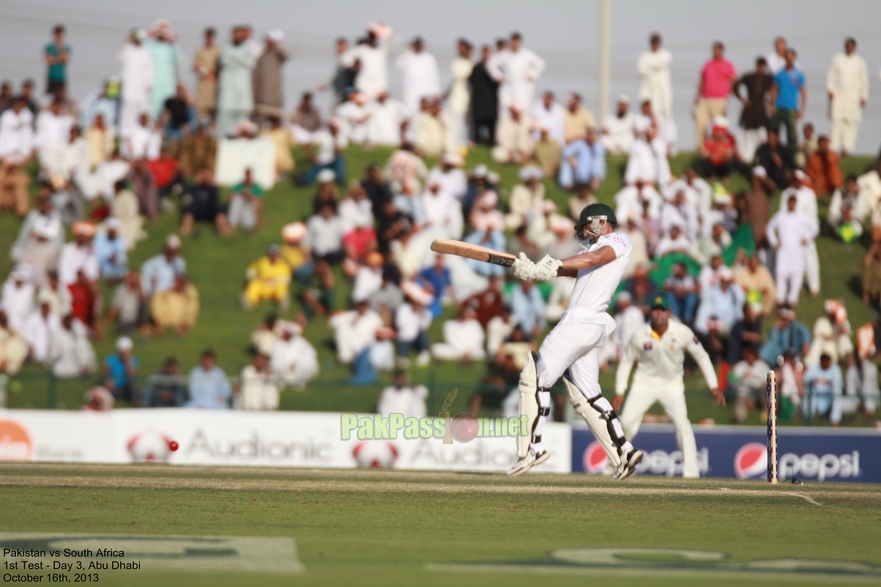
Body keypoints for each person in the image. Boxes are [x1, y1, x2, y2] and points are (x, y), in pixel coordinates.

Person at [507, 203, 643, 479]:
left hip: (581, 321)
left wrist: (555, 263)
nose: (583, 233)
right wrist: (535, 269)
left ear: (599, 221)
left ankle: (532, 448)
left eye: (585, 227)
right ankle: (623, 452)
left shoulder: (617, 239)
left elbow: (595, 259)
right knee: (586, 396)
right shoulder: (590, 251)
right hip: (591, 325)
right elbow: (574, 268)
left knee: (535, 379)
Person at [614, 296, 721, 478]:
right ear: (650, 312)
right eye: (656, 309)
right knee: (626, 423)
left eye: (663, 309)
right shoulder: (641, 333)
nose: (659, 313)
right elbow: (626, 361)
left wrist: (713, 385)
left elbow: (701, 356)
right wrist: (619, 390)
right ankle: (615, 465)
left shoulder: (682, 332)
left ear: (669, 312)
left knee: (682, 425)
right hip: (644, 383)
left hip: (672, 385)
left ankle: (691, 473)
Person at [767, 193, 818, 306]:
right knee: (781, 273)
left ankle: (792, 299)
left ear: (796, 204)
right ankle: (780, 297)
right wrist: (774, 241)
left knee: (796, 274)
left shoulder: (801, 217)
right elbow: (770, 227)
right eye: (790, 202)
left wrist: (807, 239)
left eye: (793, 203)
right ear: (787, 203)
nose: (791, 205)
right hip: (783, 250)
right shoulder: (781, 216)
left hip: (797, 250)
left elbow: (814, 227)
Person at [826, 38, 869, 155]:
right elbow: (831, 75)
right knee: (836, 121)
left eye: (851, 46)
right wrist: (830, 90)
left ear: (855, 48)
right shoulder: (837, 59)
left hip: (853, 97)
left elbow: (864, 80)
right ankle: (833, 148)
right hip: (838, 95)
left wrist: (864, 96)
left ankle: (846, 148)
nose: (849, 48)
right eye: (848, 46)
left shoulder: (860, 62)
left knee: (851, 122)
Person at [487, 32, 545, 115]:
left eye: (516, 41)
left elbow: (541, 63)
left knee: (524, 112)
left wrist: (532, 74)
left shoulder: (527, 54)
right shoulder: (504, 54)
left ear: (520, 42)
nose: (514, 43)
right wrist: (498, 75)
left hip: (523, 88)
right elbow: (491, 63)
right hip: (508, 87)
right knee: (505, 113)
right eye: (512, 41)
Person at [216, 26, 260, 136]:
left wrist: (235, 58)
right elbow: (225, 61)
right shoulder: (226, 47)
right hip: (228, 84)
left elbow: (250, 62)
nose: (237, 37)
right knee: (224, 110)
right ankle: (220, 135)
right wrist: (240, 60)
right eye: (235, 34)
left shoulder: (249, 47)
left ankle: (240, 134)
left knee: (242, 111)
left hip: (242, 84)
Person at [694, 42, 737, 145]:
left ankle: (719, 147)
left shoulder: (727, 64)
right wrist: (697, 96)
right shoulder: (707, 63)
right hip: (705, 99)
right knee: (700, 123)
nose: (716, 51)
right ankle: (702, 147)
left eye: (718, 49)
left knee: (718, 125)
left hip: (720, 99)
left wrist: (729, 93)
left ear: (722, 50)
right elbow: (702, 80)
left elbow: (734, 80)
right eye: (714, 49)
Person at [734, 58, 773, 162]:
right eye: (758, 66)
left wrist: (770, 101)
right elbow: (736, 85)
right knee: (747, 136)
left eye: (762, 67)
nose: (760, 69)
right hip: (750, 111)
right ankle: (746, 158)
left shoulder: (767, 78)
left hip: (761, 111)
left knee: (762, 136)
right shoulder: (749, 77)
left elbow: (775, 87)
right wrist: (742, 98)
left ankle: (762, 158)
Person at [769, 48, 806, 153]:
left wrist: (801, 110)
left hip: (791, 108)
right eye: (787, 56)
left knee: (791, 135)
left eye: (791, 56)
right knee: (774, 131)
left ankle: (791, 156)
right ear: (784, 58)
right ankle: (775, 152)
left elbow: (803, 93)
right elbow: (774, 90)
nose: (789, 59)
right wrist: (771, 105)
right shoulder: (779, 73)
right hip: (778, 107)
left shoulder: (799, 74)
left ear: (794, 58)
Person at [118, 29, 153, 138]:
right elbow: (120, 59)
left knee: (142, 113)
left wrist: (149, 83)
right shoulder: (128, 50)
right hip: (129, 90)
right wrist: (126, 43)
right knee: (127, 115)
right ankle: (125, 141)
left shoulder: (146, 52)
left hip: (141, 91)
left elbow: (150, 70)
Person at [146, 20, 183, 120]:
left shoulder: (171, 47)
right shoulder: (150, 45)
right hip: (154, 86)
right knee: (152, 112)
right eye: (161, 29)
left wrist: (173, 41)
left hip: (168, 87)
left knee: (167, 113)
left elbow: (178, 57)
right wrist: (152, 33)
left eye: (165, 29)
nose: (163, 32)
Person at [396, 37, 441, 119]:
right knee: (410, 114)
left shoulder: (429, 58)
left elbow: (434, 76)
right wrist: (407, 49)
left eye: (420, 44)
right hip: (411, 92)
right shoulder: (409, 56)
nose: (418, 46)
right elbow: (399, 64)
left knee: (424, 115)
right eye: (416, 44)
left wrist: (435, 91)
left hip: (425, 92)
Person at [180, 167, 231, 236]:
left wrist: (211, 182)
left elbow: (215, 198)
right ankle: (185, 228)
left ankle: (223, 228)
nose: (204, 177)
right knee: (190, 210)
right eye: (202, 174)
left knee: (218, 209)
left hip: (210, 211)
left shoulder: (212, 188)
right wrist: (196, 183)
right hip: (197, 210)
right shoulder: (194, 187)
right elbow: (188, 196)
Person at [252, 30, 288, 124]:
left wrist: (278, 45)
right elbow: (255, 75)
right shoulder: (261, 56)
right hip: (262, 95)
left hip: (274, 95)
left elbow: (286, 56)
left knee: (276, 120)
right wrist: (254, 90)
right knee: (260, 119)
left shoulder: (277, 54)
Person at [729, 346, 771, 423]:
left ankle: (767, 413)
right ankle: (738, 419)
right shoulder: (740, 366)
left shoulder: (762, 366)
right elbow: (732, 379)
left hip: (761, 391)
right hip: (747, 393)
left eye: (751, 355)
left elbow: (768, 379)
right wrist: (742, 377)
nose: (750, 358)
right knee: (741, 402)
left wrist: (754, 375)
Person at [468, 45, 499, 146]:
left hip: (491, 100)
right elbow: (471, 81)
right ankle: (477, 141)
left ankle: (491, 142)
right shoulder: (477, 67)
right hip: (478, 99)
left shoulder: (495, 68)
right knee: (477, 122)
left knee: (491, 123)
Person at [243, 244, 291, 311]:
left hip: (275, 286)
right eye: (272, 254)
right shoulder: (263, 261)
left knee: (282, 287)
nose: (274, 256)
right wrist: (251, 277)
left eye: (275, 254)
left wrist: (274, 280)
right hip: (263, 285)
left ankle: (282, 302)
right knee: (254, 284)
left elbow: (286, 279)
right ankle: (249, 302)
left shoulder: (283, 265)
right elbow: (253, 269)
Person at [637, 33, 673, 121]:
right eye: (653, 42)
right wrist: (655, 70)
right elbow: (640, 70)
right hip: (650, 91)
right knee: (649, 114)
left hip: (663, 91)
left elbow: (660, 63)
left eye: (657, 42)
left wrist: (650, 67)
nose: (655, 45)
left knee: (665, 113)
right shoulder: (645, 56)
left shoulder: (665, 54)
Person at [49, 314, 97, 378]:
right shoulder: (58, 334)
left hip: (77, 361)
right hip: (63, 360)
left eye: (70, 321)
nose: (68, 323)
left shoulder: (78, 334)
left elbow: (85, 350)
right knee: (59, 370)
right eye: (67, 321)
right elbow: (54, 353)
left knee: (82, 343)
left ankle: (84, 368)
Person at [803, 353, 843, 426]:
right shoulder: (813, 368)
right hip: (816, 396)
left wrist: (828, 382)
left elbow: (839, 384)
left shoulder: (835, 369)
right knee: (809, 390)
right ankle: (809, 419)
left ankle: (835, 420)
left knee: (837, 392)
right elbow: (806, 380)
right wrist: (816, 380)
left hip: (829, 396)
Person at [447, 39, 473, 149]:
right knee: (453, 119)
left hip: (466, 93)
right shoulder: (456, 62)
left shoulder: (471, 63)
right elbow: (457, 75)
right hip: (457, 94)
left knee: (464, 120)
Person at [193, 28, 220, 122]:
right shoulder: (199, 51)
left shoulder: (218, 51)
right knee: (201, 110)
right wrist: (205, 72)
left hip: (214, 85)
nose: (209, 39)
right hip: (203, 84)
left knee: (214, 109)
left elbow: (220, 68)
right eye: (207, 36)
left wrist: (213, 74)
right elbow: (195, 66)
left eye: (210, 37)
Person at [227, 168, 265, 232]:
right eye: (246, 175)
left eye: (249, 175)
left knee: (254, 199)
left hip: (249, 212)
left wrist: (260, 218)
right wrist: (241, 194)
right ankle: (232, 226)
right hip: (238, 212)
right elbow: (230, 198)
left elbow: (259, 203)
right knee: (238, 199)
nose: (248, 177)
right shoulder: (238, 186)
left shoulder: (256, 188)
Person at [103, 336, 138, 404]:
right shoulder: (111, 359)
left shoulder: (132, 360)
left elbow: (131, 374)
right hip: (114, 387)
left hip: (125, 387)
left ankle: (135, 401)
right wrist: (109, 381)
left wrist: (126, 361)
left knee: (132, 382)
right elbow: (105, 373)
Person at [44, 25, 71, 94]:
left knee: (62, 96)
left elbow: (66, 59)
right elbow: (48, 60)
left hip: (61, 76)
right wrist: (59, 58)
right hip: (52, 75)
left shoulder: (65, 47)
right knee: (49, 96)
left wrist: (54, 58)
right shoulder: (49, 47)